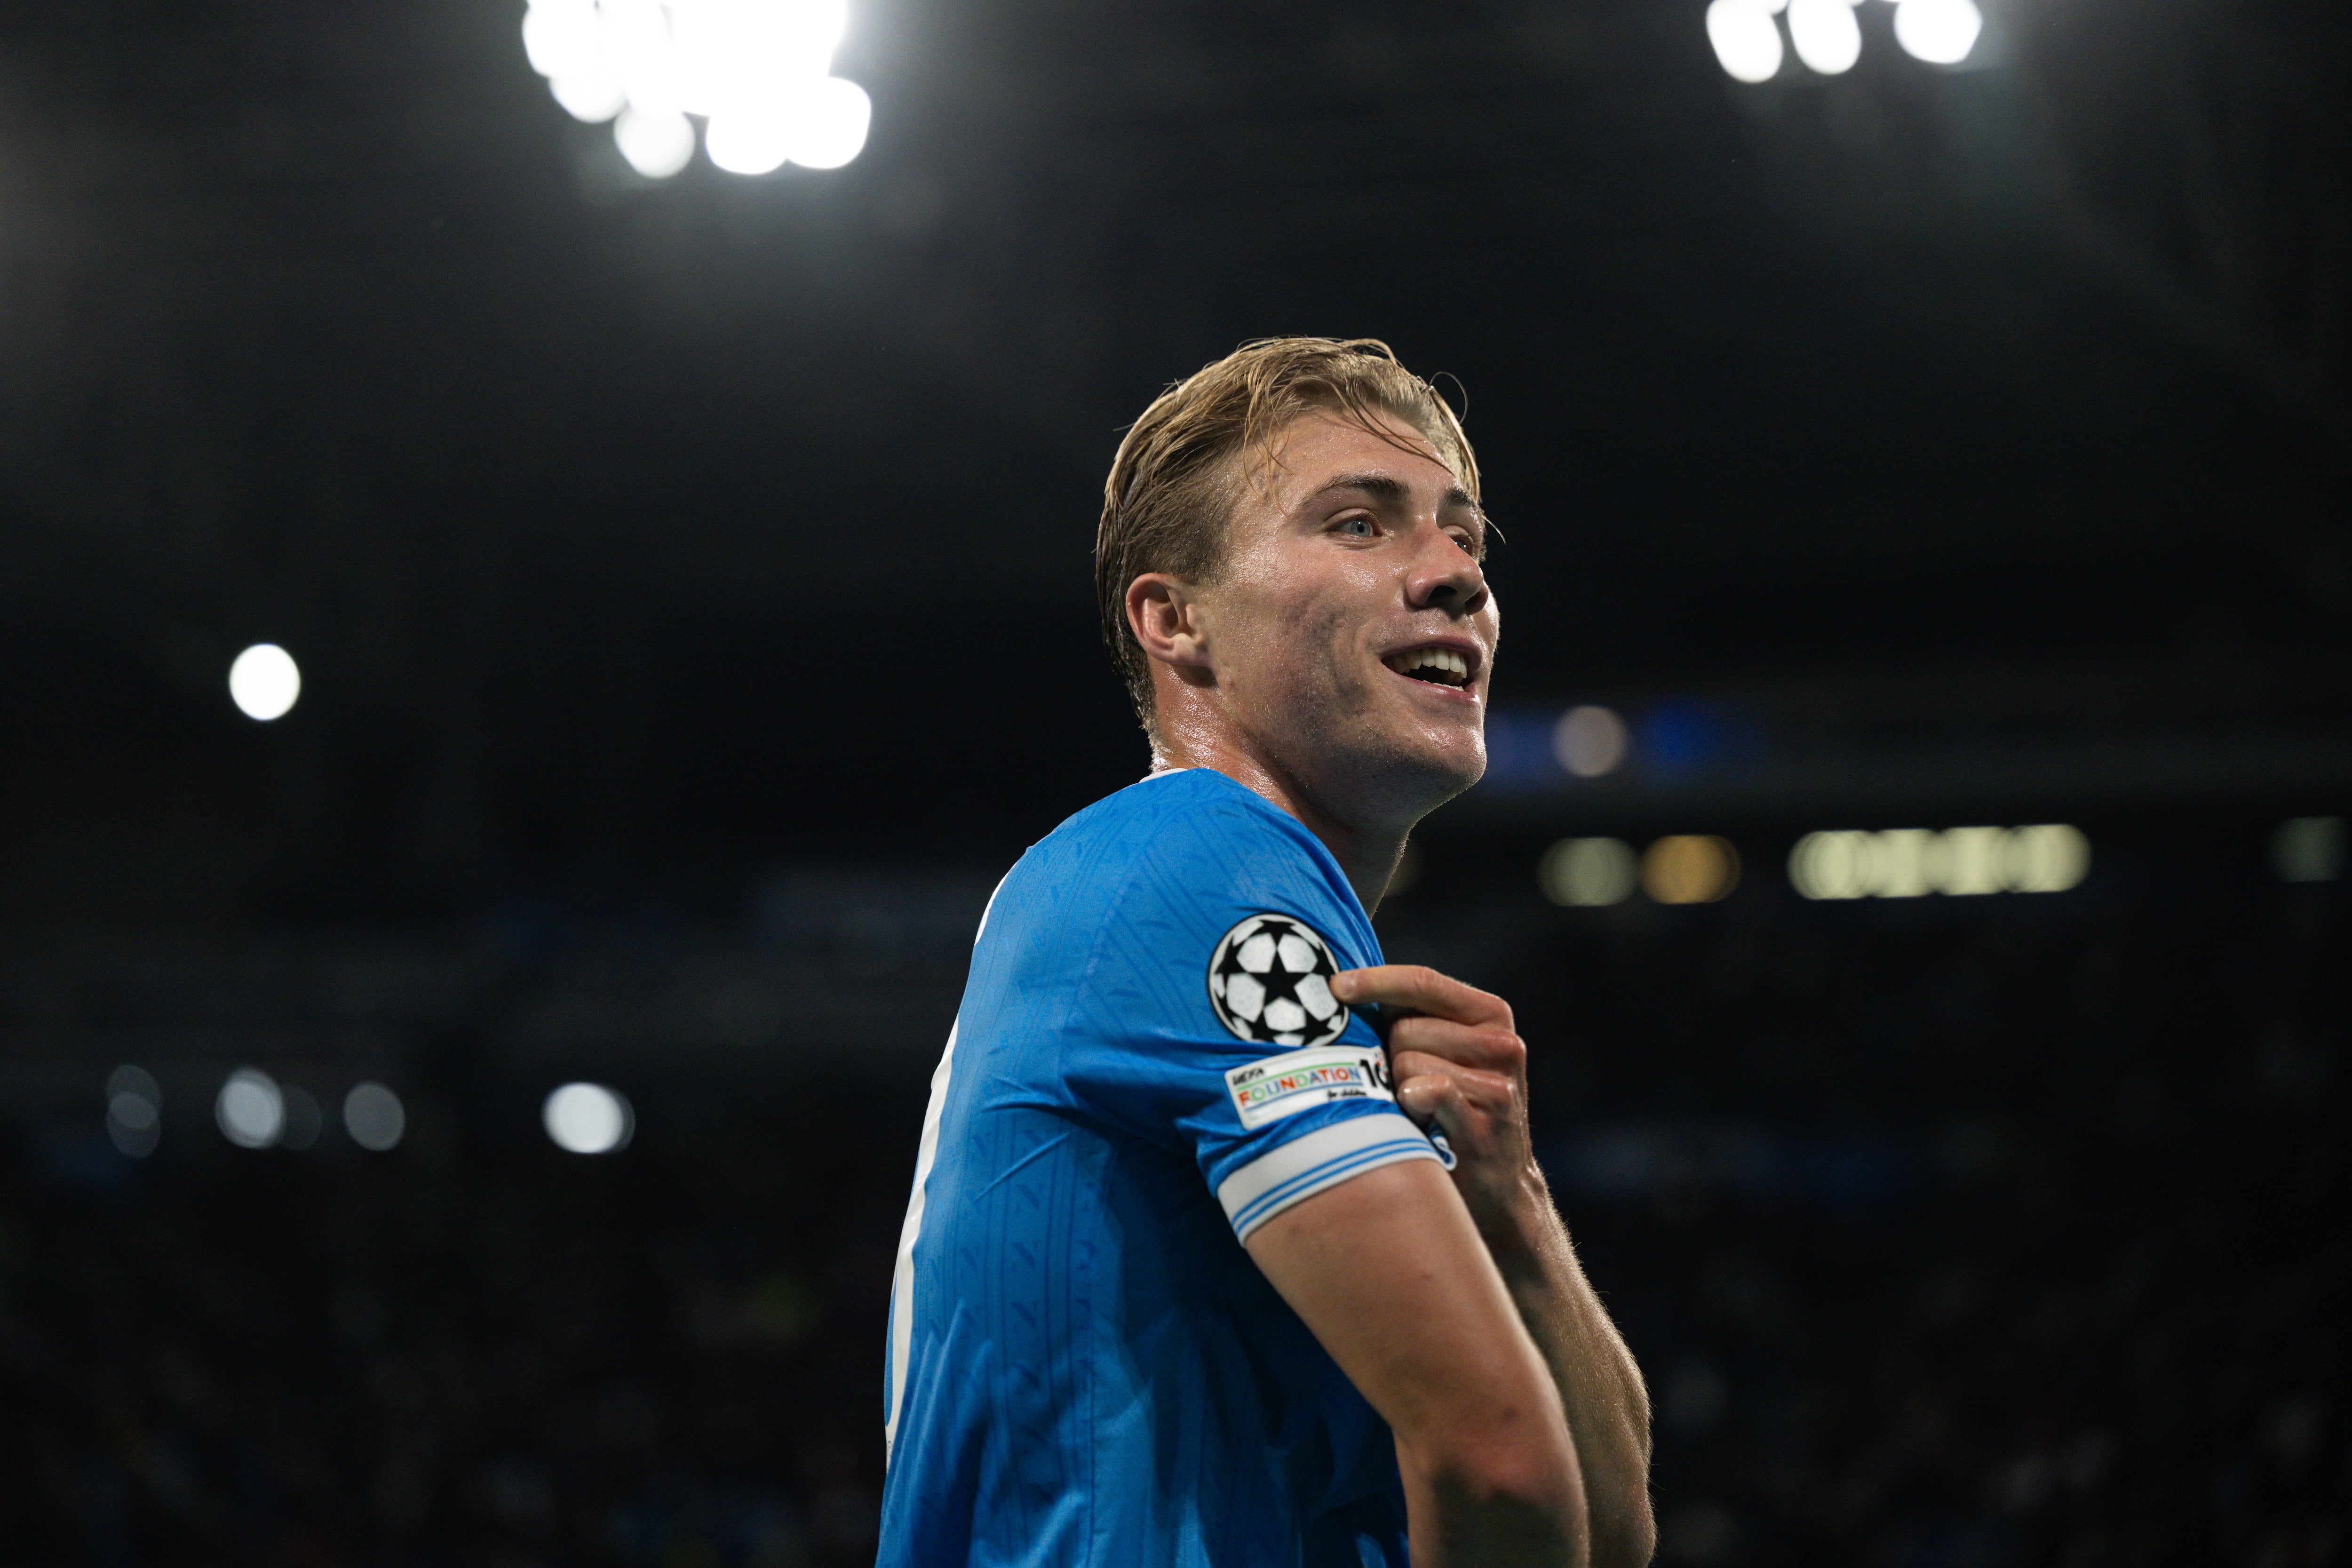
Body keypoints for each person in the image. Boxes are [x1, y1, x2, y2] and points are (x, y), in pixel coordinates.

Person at [878, 338, 1653, 1568]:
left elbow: (1606, 1534)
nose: (1455, 575)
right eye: (1361, 524)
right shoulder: (1195, 858)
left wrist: (1511, 1199)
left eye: (1468, 537)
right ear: (1177, 621)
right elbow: (1499, 1462)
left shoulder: (1188, 892)